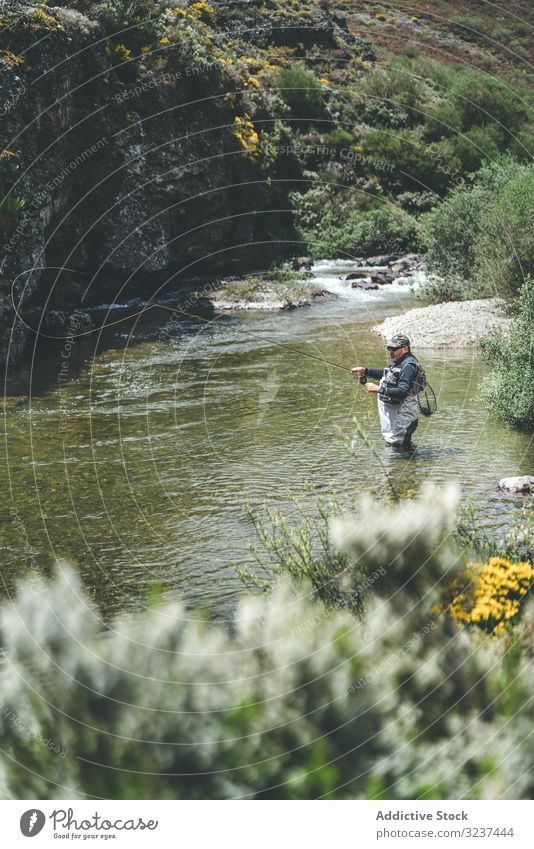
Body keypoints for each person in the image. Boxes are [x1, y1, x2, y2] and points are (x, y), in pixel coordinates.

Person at [351, 334, 422, 449]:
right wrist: (365, 371)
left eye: (394, 349)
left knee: (399, 453)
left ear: (405, 349)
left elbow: (402, 391)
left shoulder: (409, 366)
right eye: (390, 349)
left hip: (403, 419)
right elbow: (387, 375)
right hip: (397, 419)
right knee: (398, 450)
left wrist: (379, 389)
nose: (391, 352)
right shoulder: (400, 361)